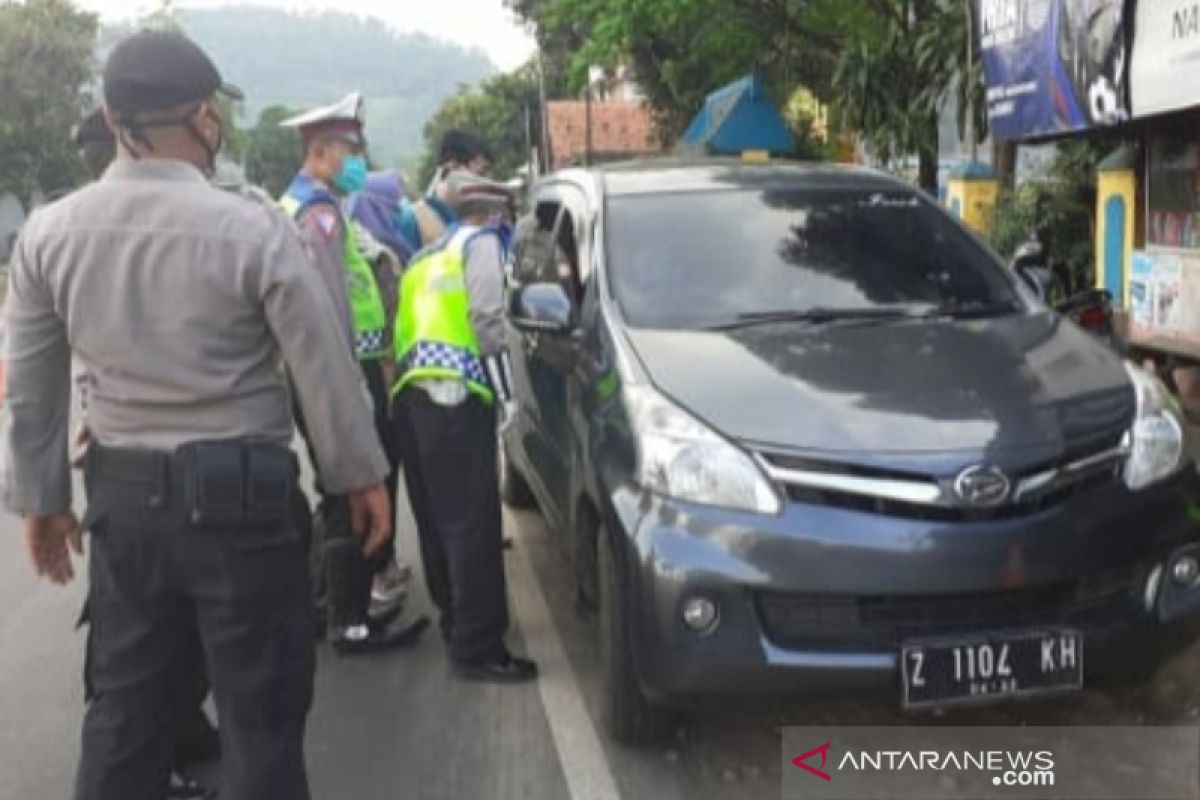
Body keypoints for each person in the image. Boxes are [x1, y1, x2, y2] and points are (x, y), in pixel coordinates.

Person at [2, 30, 394, 800]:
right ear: (204, 117)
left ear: (114, 118)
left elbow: (34, 390)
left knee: (126, 718)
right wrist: (361, 475)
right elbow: (323, 369)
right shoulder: (252, 228)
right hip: (244, 513)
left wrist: (43, 502)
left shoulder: (48, 235)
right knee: (261, 723)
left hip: (124, 509)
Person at [69, 106, 221, 800]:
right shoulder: (199, 222)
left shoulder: (70, 230)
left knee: (146, 638)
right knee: (129, 657)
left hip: (126, 473)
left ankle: (179, 735)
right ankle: (159, 756)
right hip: (162, 468)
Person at [280, 94, 428, 654]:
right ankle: (349, 620)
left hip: (345, 368)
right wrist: (352, 392)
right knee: (350, 489)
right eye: (348, 151)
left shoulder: (321, 204)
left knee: (344, 489)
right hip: (341, 372)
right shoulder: (314, 213)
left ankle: (335, 606)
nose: (356, 161)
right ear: (319, 152)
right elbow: (329, 309)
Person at [392, 171, 537, 683]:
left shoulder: (424, 256)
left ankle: (457, 621)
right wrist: (508, 396)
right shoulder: (480, 248)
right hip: (454, 400)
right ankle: (478, 648)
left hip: (412, 399)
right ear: (497, 215)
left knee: (437, 523)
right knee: (472, 525)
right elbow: (488, 320)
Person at [345, 170, 418, 612]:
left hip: (373, 378)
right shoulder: (374, 256)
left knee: (381, 476)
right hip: (376, 382)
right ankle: (372, 575)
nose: (402, 209)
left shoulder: (366, 248)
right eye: (394, 202)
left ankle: (381, 564)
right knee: (376, 478)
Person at [397, 129, 491, 250]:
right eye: (481, 173)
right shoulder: (412, 221)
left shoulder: (470, 220)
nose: (487, 182)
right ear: (453, 167)